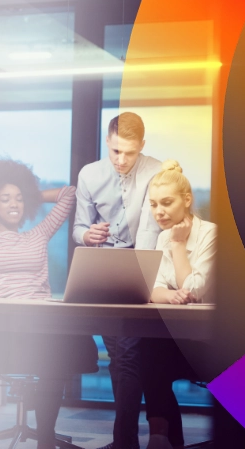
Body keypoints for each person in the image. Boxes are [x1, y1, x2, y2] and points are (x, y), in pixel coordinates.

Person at [0, 158, 98, 449]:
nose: (14, 204)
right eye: (5, 199)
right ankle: (44, 426)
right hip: (2, 332)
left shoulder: (37, 235)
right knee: (51, 351)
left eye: (19, 199)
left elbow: (68, 194)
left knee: (57, 347)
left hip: (44, 326)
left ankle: (45, 438)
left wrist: (29, 194)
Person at [73, 112, 162, 449]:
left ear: (142, 145)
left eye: (129, 152)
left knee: (145, 354)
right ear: (107, 143)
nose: (122, 160)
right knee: (125, 352)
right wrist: (89, 235)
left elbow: (159, 226)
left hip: (150, 265)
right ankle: (128, 439)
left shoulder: (157, 171)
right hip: (108, 270)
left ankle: (139, 438)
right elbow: (78, 228)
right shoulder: (90, 175)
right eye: (115, 152)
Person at [141, 160, 217, 449]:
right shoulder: (162, 235)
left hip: (213, 344)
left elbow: (193, 290)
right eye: (153, 205)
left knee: (152, 352)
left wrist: (178, 245)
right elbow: (153, 289)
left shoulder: (211, 234)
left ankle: (162, 438)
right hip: (178, 338)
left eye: (167, 203)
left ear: (187, 200)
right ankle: (159, 438)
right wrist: (169, 295)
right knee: (149, 345)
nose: (159, 211)